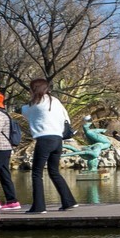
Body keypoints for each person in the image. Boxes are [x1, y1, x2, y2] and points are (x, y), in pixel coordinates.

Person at [21, 78, 78, 214]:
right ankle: (69, 201)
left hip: (44, 139)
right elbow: (66, 117)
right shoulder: (55, 101)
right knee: (54, 172)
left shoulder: (32, 105)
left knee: (36, 174)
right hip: (58, 139)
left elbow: (25, 113)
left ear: (34, 90)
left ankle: (39, 207)